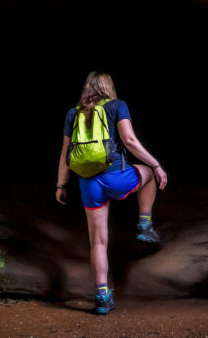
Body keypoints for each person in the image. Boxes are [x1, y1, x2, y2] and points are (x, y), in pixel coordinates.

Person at [55, 71, 168, 315]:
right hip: (116, 177)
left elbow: (66, 153)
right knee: (148, 174)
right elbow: (129, 140)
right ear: (109, 86)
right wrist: (156, 165)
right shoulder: (117, 105)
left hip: (87, 184)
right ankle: (145, 225)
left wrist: (61, 185)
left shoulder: (73, 113)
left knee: (97, 242)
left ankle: (102, 297)